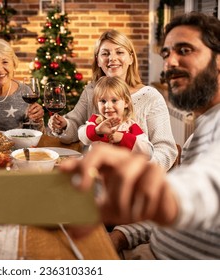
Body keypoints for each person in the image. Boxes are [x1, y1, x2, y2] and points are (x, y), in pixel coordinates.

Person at [60, 12, 220, 260]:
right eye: (166, 53)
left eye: (185, 50)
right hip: (140, 240)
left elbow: (205, 181)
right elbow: (79, 129)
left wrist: (140, 183)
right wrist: (124, 235)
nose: (170, 63)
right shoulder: (205, 125)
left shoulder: (155, 100)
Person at [49, 29, 177, 170]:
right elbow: (76, 129)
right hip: (92, 173)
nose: (112, 58)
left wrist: (135, 170)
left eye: (119, 52)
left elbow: (166, 150)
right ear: (98, 60)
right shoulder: (91, 90)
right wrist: (64, 125)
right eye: (105, 53)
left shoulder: (150, 97)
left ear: (131, 58)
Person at [78, 76, 153, 158]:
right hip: (95, 168)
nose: (108, 106)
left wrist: (122, 138)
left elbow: (148, 153)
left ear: (126, 103)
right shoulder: (96, 121)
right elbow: (82, 136)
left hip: (120, 169)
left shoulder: (130, 126)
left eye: (114, 100)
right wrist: (97, 131)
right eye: (103, 101)